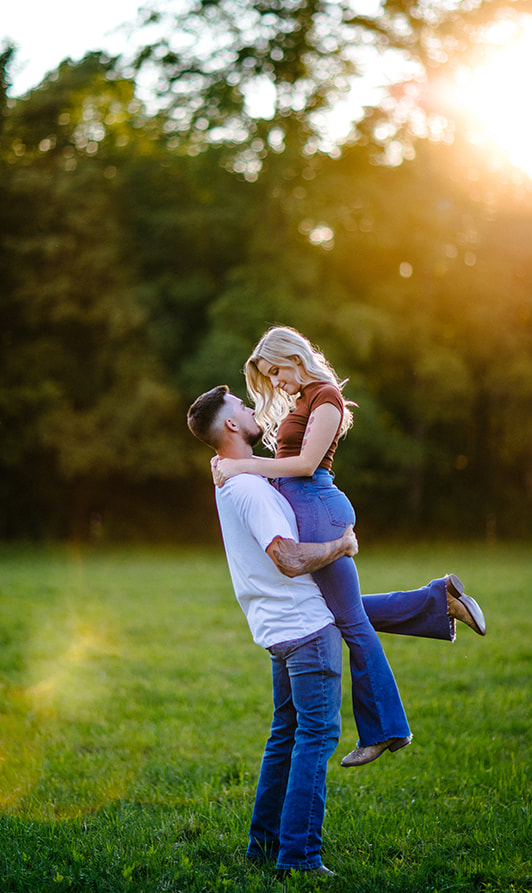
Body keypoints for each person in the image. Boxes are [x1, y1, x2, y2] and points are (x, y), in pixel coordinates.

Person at [187, 385, 486, 876]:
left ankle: (262, 848)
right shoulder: (250, 489)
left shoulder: (234, 480)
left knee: (285, 735)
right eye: (242, 406)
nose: (249, 406)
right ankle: (300, 858)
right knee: (315, 737)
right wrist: (341, 545)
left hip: (281, 629)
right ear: (232, 427)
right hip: (306, 632)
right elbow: (287, 558)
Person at [211, 326, 485, 768]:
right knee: (341, 613)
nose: (276, 382)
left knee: (351, 622)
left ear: (296, 357)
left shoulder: (326, 400)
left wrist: (240, 464)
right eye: (268, 376)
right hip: (305, 508)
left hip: (319, 507)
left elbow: (303, 464)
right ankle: (439, 602)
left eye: (277, 371)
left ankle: (385, 730)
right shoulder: (303, 399)